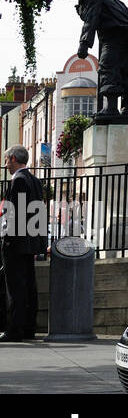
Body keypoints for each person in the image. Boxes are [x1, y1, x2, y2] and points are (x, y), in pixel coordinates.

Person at [1, 146, 44, 341]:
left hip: (16, 243)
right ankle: (28, 328)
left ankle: (15, 330)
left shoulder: (18, 180)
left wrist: (7, 240)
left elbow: (14, 214)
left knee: (16, 287)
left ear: (12, 159)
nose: (5, 164)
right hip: (30, 241)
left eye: (6, 160)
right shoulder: (34, 180)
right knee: (29, 286)